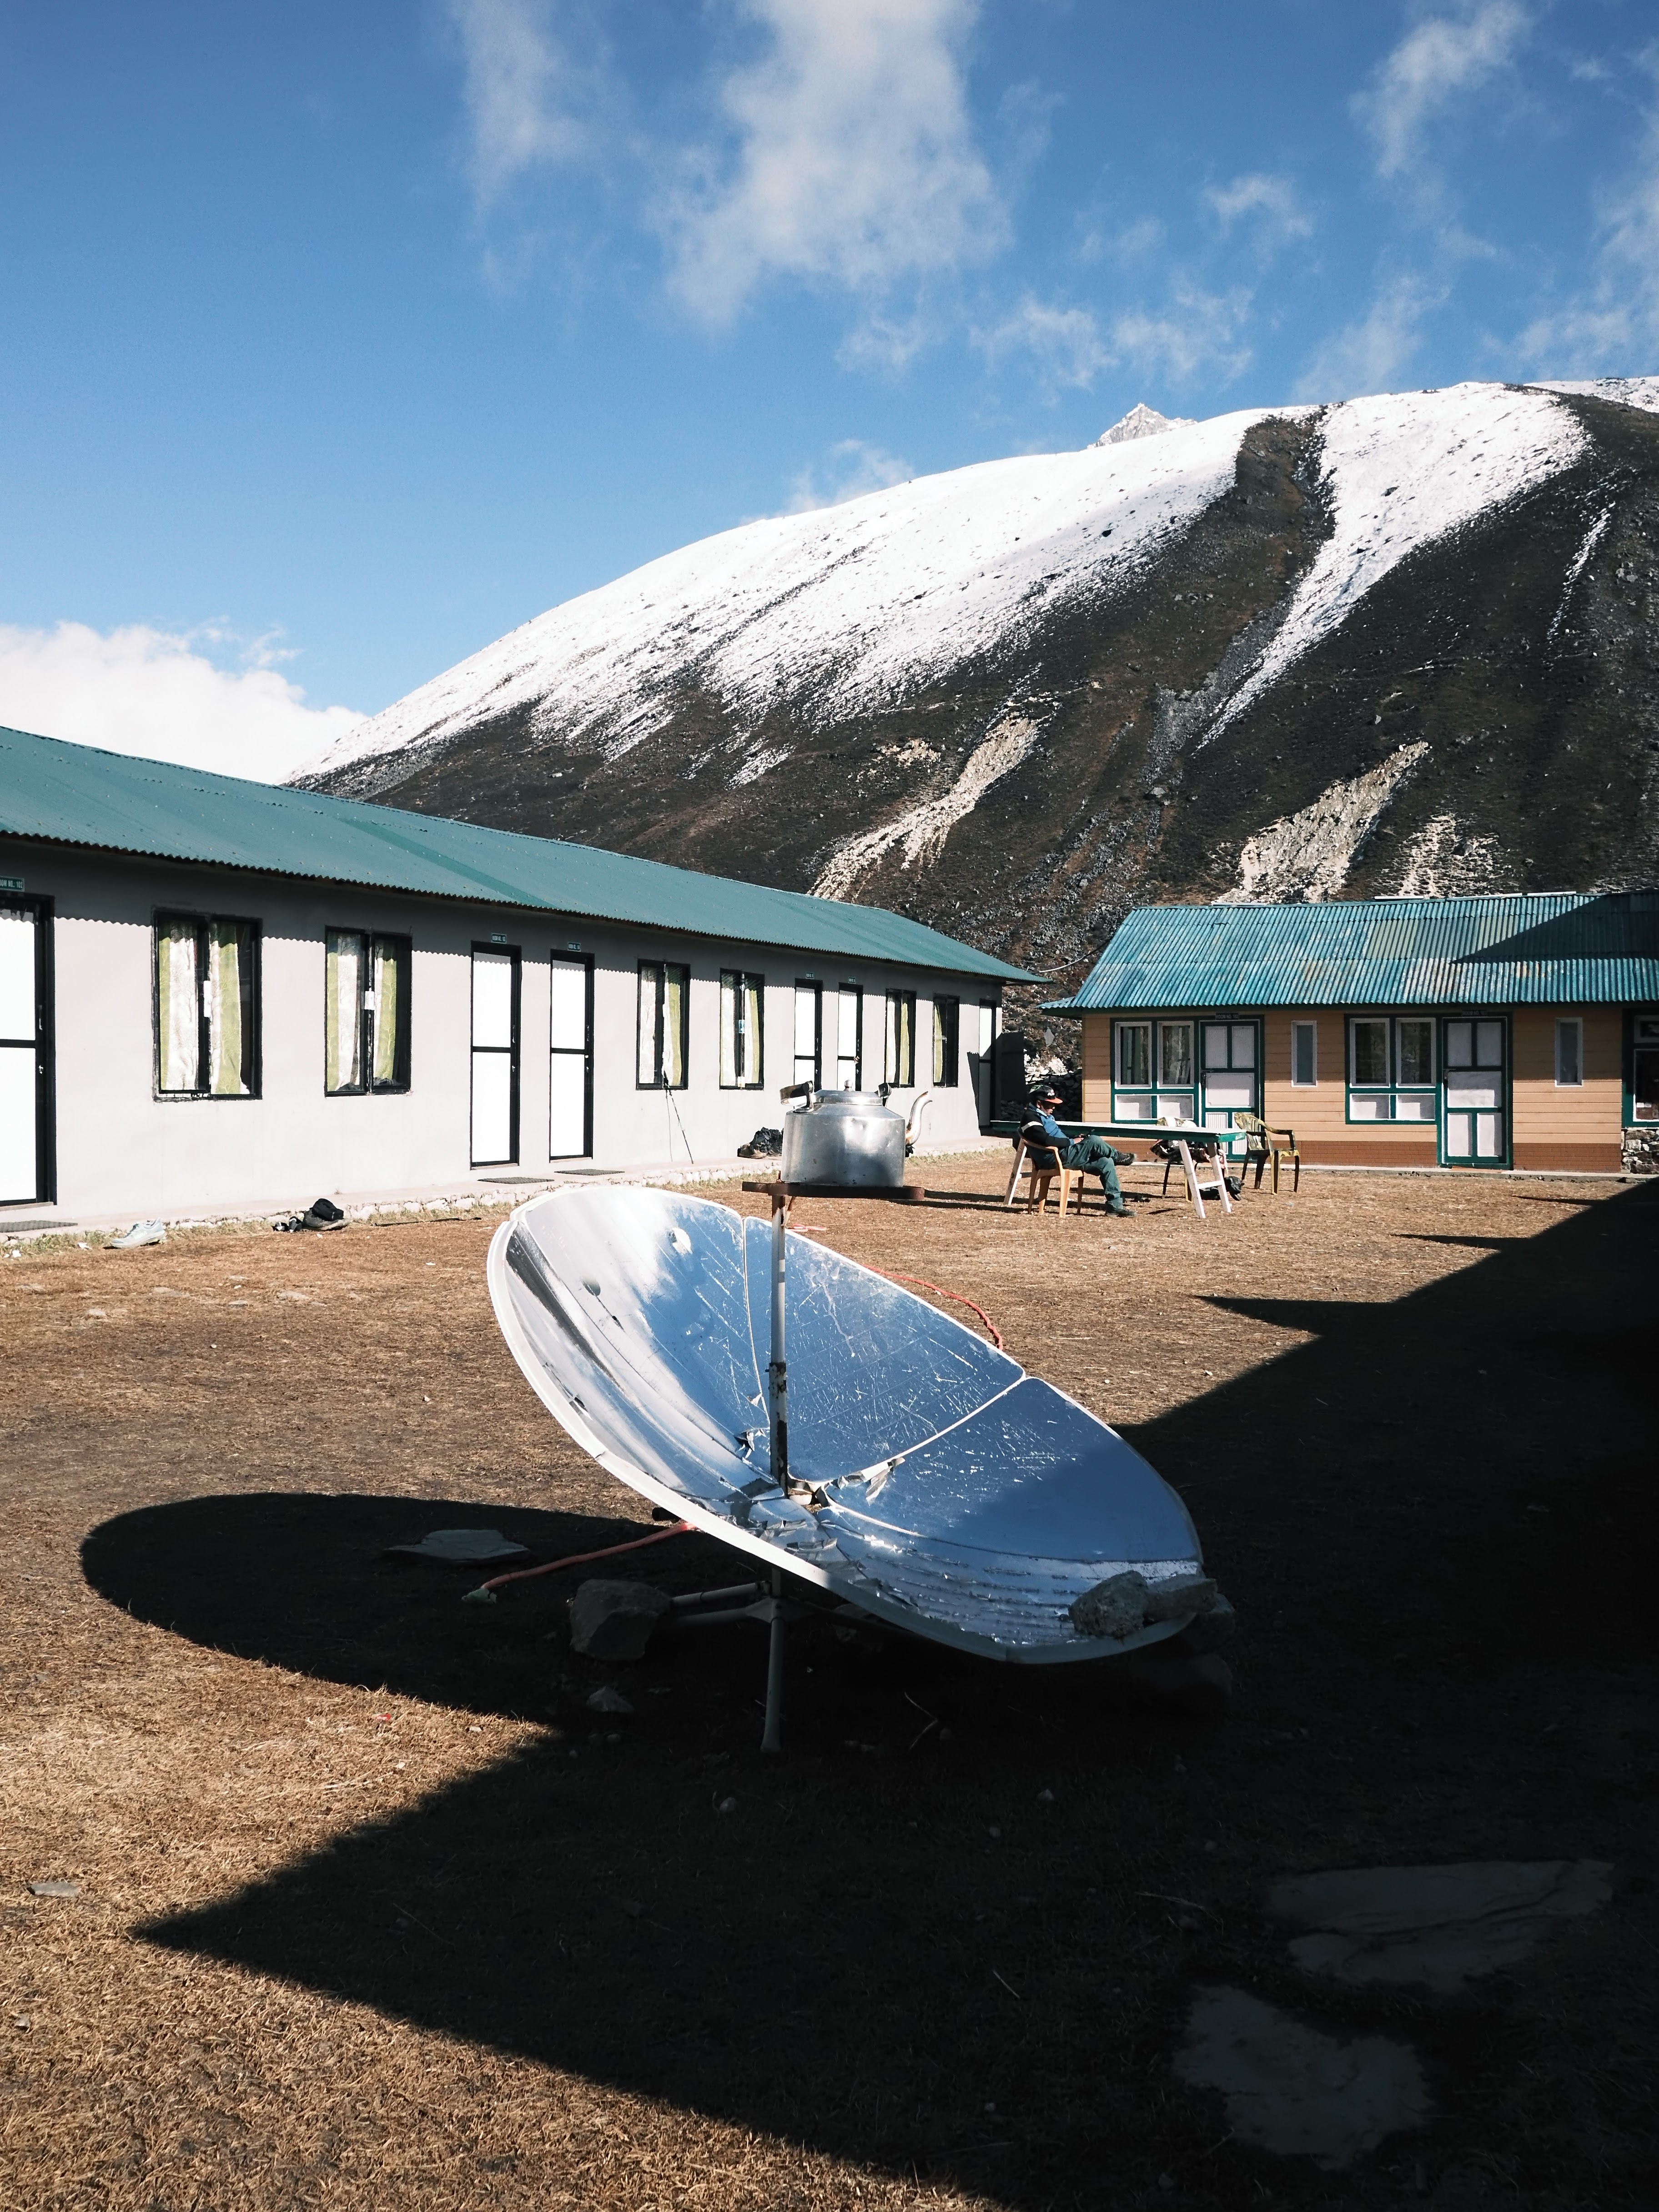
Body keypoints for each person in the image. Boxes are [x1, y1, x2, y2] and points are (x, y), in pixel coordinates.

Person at [1020, 1084, 1136, 1217]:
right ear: (1039, 1103)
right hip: (1054, 1158)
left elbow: (1058, 1136)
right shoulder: (1031, 1118)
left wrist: (1075, 1138)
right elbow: (1046, 1140)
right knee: (1094, 1140)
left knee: (1106, 1162)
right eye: (1050, 1104)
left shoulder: (1044, 1115)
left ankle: (1115, 1206)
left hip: (1065, 1154)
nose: (1053, 1107)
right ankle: (1117, 1156)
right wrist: (1072, 1142)